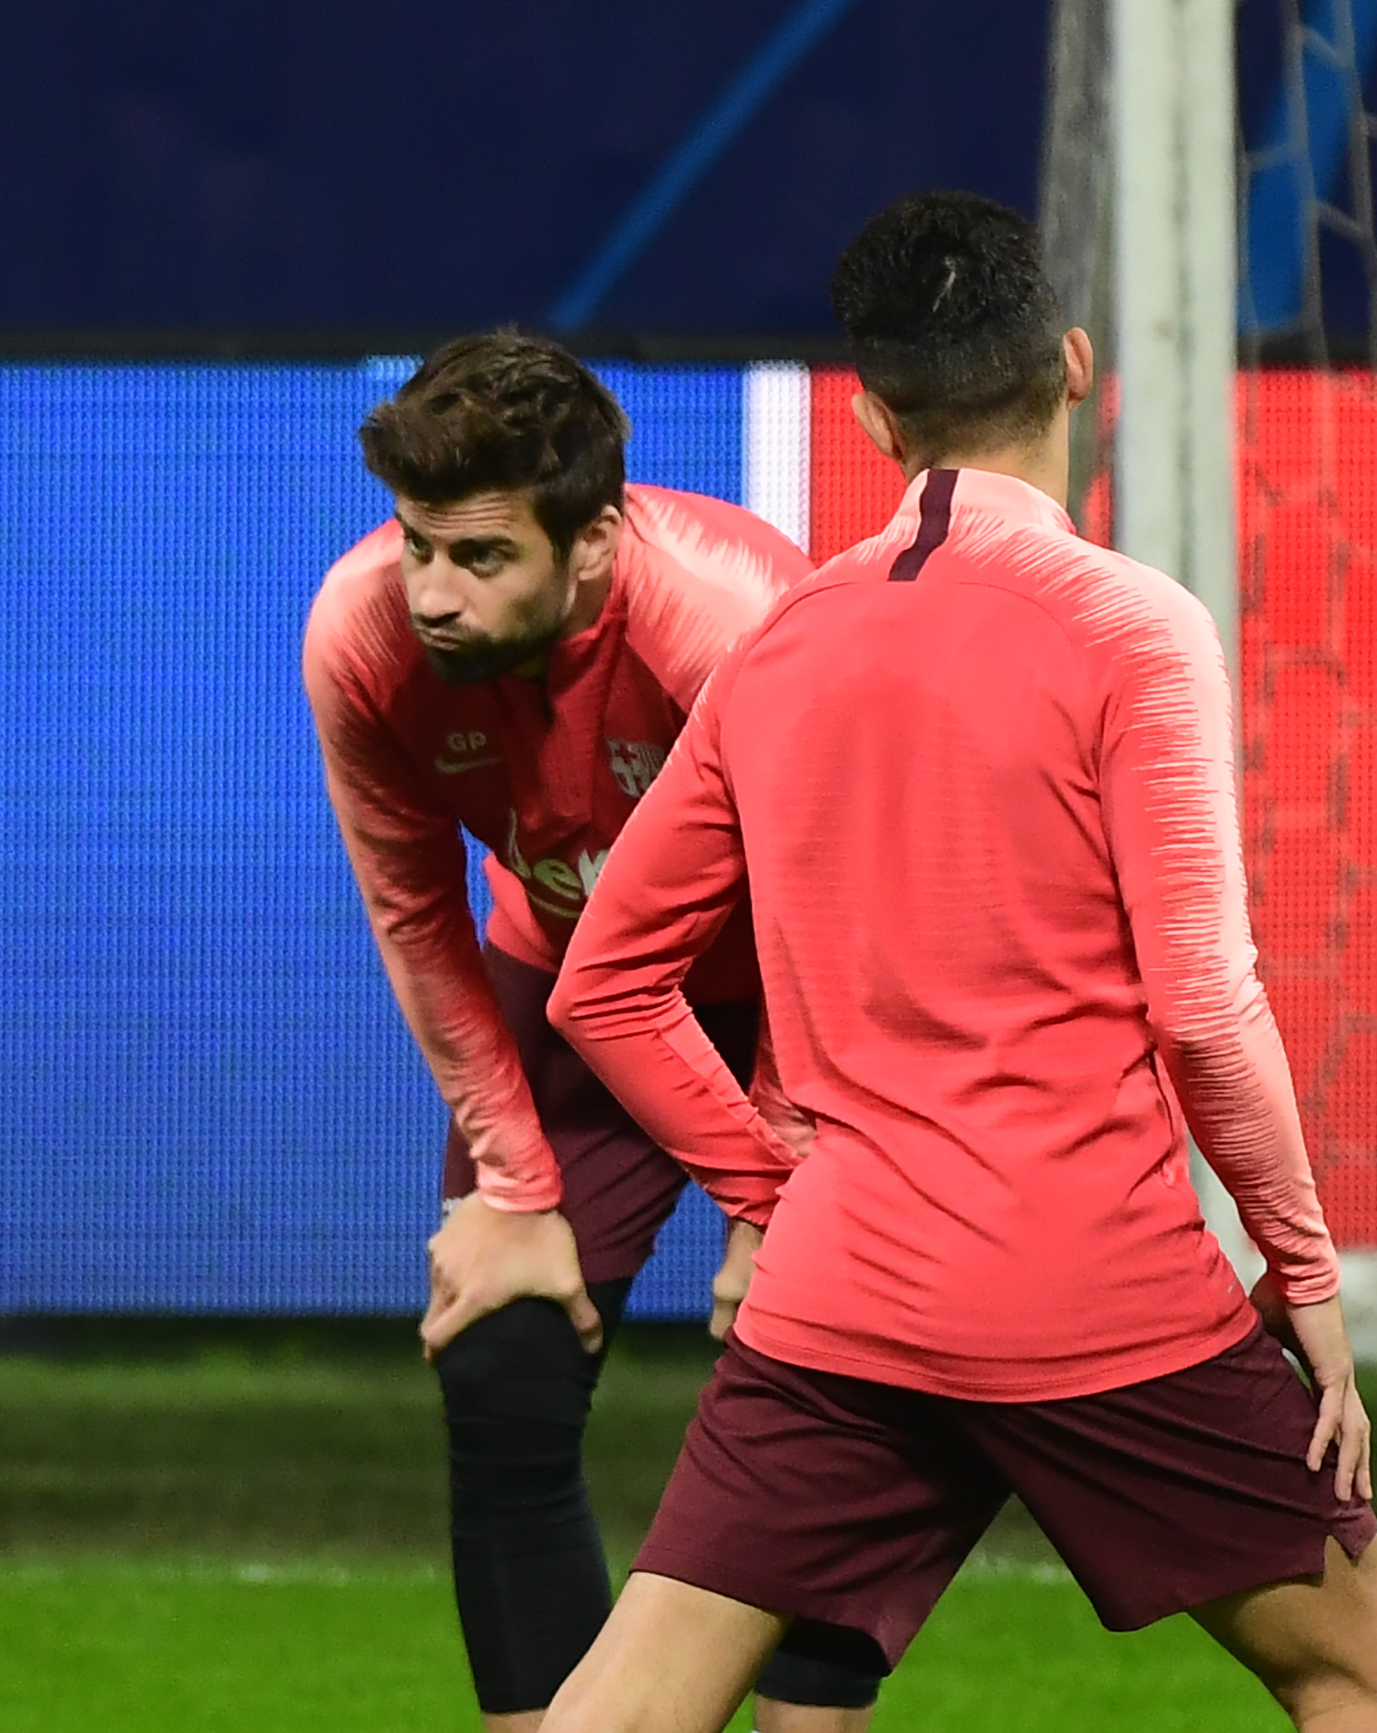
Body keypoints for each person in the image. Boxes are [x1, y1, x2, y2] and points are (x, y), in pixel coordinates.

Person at [536, 191, 1377, 1733]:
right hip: (1093, 1283)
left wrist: (774, 1189)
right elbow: (1207, 1010)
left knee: (617, 1711)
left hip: (843, 1294)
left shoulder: (781, 643)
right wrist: (1306, 1277)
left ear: (877, 413)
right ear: (1077, 364)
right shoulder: (1132, 628)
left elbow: (599, 980)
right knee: (1361, 1665)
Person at [302, 331, 887, 1733]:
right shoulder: (362, 638)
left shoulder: (738, 624)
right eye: (416, 545)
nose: (433, 595)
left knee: (828, 1368)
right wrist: (513, 1184)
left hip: (798, 1001)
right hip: (567, 996)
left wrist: (781, 1184)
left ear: (592, 547)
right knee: (500, 1354)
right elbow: (417, 915)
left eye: (481, 558)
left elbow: (835, 909)